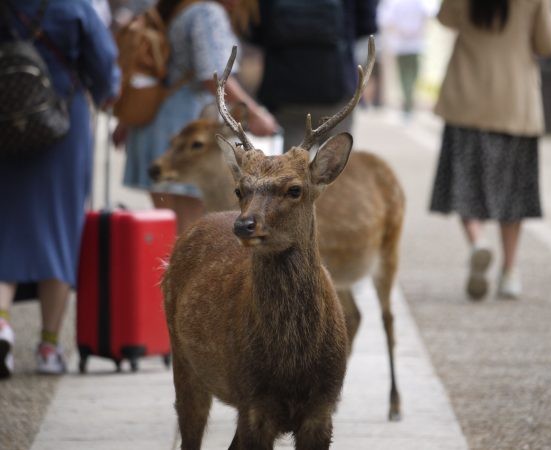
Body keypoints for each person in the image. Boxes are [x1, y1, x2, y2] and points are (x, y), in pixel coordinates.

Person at [0, 0, 120, 378]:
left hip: (4, 119)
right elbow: (104, 67)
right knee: (59, 231)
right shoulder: (73, 5)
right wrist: (103, 93)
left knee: (6, 229)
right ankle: (50, 347)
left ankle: (1, 326)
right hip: (62, 120)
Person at [429, 0, 551, 301]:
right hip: (515, 103)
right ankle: (510, 273)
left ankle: (478, 243)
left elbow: (445, 19)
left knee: (465, 184)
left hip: (467, 101)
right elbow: (545, 44)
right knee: (513, 193)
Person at [118, 0, 278, 234]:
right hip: (187, 134)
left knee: (170, 233)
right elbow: (213, 76)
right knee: (189, 233)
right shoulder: (207, 13)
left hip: (157, 125)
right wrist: (255, 114)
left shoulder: (175, 8)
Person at [249, 0, 378, 151]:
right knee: (335, 168)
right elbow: (367, 24)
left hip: (286, 95)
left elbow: (253, 28)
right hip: (337, 92)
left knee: (290, 170)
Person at [377, 0, 437, 119]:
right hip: (406, 44)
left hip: (411, 44)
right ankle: (407, 102)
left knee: (409, 76)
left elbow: (385, 19)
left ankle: (408, 102)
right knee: (408, 76)